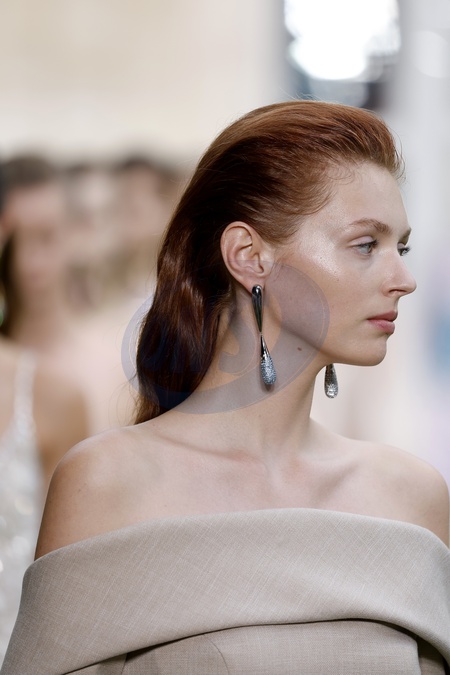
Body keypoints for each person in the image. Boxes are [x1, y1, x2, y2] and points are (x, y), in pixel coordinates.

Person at [3, 101, 450, 674]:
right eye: (366, 245)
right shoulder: (108, 485)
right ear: (249, 256)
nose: (404, 279)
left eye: (401, 248)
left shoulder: (411, 497)